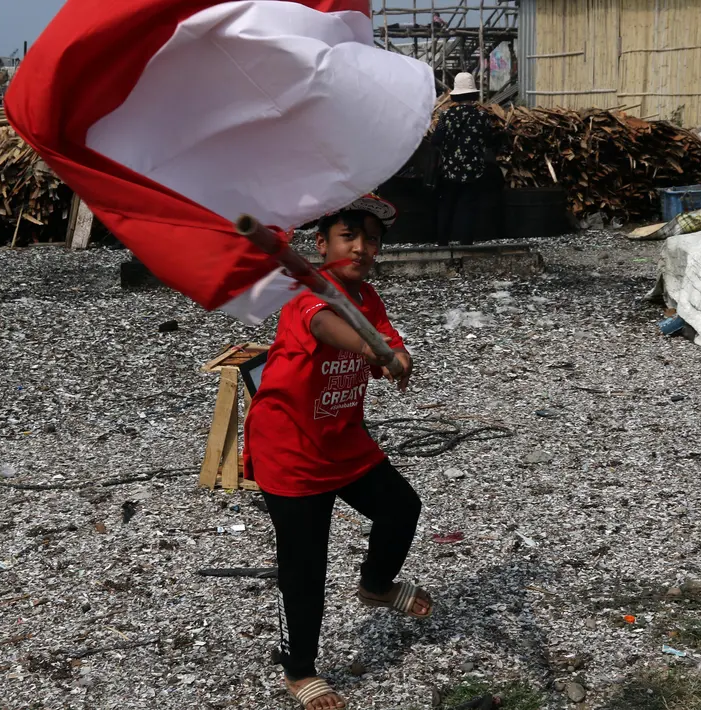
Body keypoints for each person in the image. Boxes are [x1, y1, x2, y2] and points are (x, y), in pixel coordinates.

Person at [243, 195, 429, 710]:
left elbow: (389, 340)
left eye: (372, 239)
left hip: (344, 439)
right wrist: (372, 349)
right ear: (321, 245)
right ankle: (300, 671)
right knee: (305, 568)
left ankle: (374, 584)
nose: (362, 247)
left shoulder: (367, 298)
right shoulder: (305, 295)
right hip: (291, 448)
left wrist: (399, 357)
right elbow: (326, 326)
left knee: (401, 508)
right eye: (349, 236)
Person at [430, 72, 500, 246]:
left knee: (447, 206)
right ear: (473, 95)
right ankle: (466, 243)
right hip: (473, 170)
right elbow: (490, 141)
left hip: (449, 170)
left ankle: (442, 242)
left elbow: (436, 140)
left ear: (456, 95)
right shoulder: (481, 117)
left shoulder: (447, 116)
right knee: (469, 207)